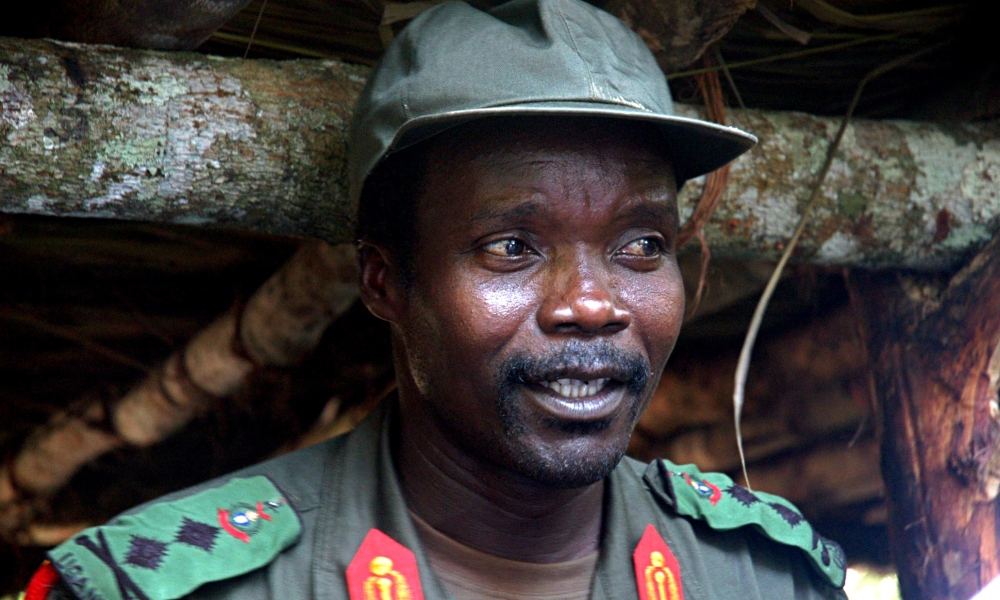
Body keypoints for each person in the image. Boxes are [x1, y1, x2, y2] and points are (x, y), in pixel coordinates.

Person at [28, 0, 849, 598]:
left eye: (642, 246)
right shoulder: (160, 586)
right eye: (512, 248)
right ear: (384, 281)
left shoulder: (769, 576)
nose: (594, 305)